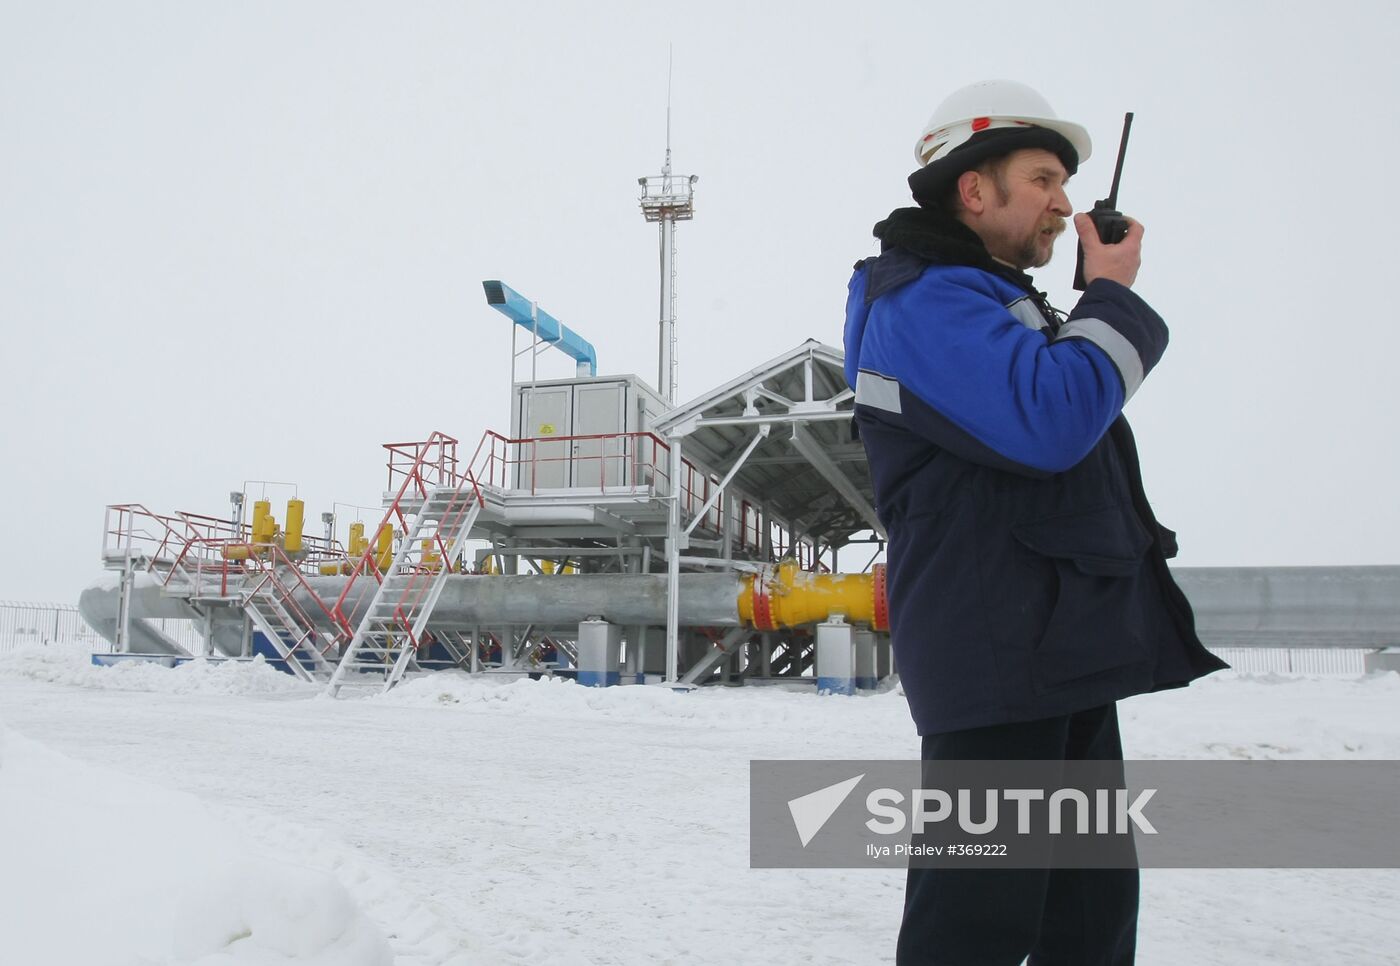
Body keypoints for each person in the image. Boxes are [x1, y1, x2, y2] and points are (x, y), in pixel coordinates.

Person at [842, 80, 1228, 965]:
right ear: (974, 188)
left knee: (1086, 920)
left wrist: (1091, 299)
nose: (1065, 203)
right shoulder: (920, 299)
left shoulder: (988, 298)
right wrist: (1112, 299)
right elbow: (1051, 419)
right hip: (998, 657)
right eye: (1045, 178)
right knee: (976, 927)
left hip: (1057, 652)